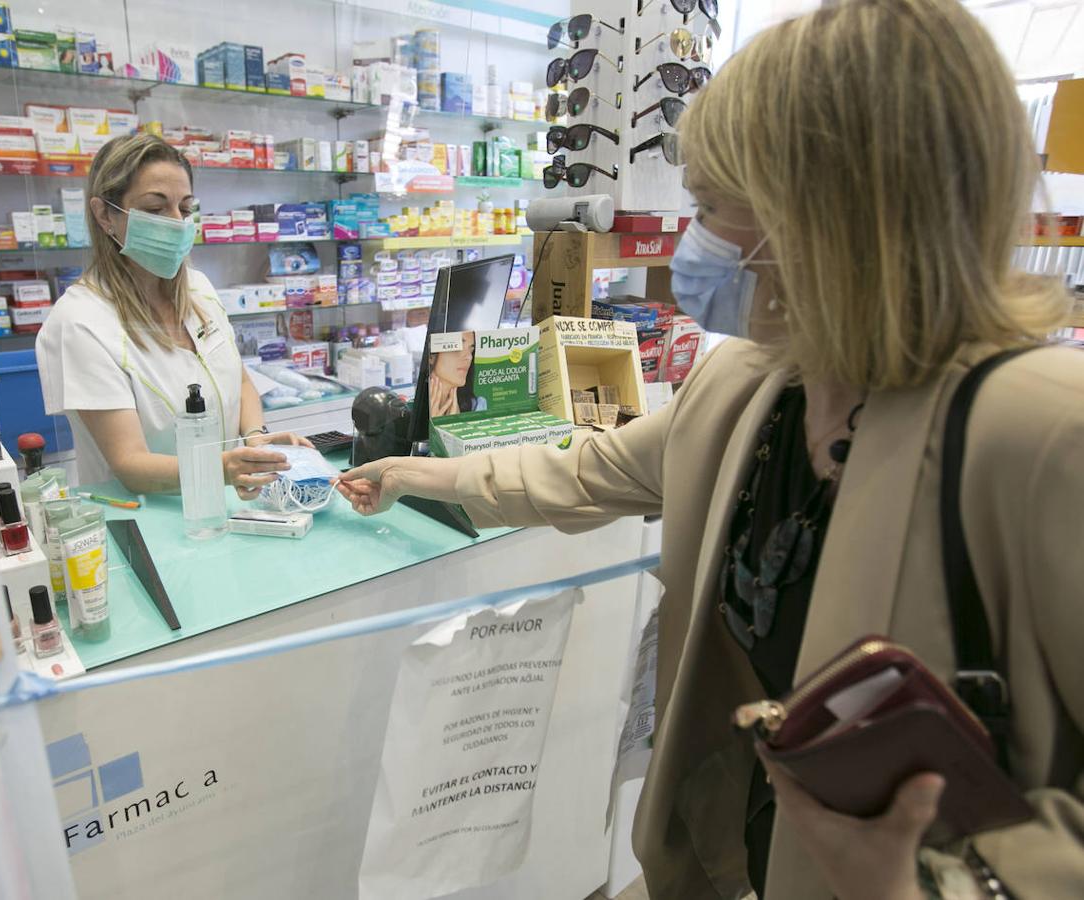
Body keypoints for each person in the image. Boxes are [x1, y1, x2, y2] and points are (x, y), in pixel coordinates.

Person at [337, 0, 1084, 896]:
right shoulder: (757, 386)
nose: (691, 242)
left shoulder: (1040, 436)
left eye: (710, 207)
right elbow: (586, 471)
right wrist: (415, 470)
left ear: (832, 216)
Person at [37, 134, 309, 497]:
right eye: (154, 209)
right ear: (105, 216)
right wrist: (227, 467)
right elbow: (130, 464)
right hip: (144, 523)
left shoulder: (199, 290)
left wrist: (256, 442)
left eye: (185, 207)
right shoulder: (81, 322)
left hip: (224, 505)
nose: (177, 222)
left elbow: (240, 382)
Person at [427, 331, 482, 418]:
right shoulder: (414, 403)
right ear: (431, 356)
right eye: (458, 348)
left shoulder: (477, 405)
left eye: (471, 350)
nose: (469, 357)